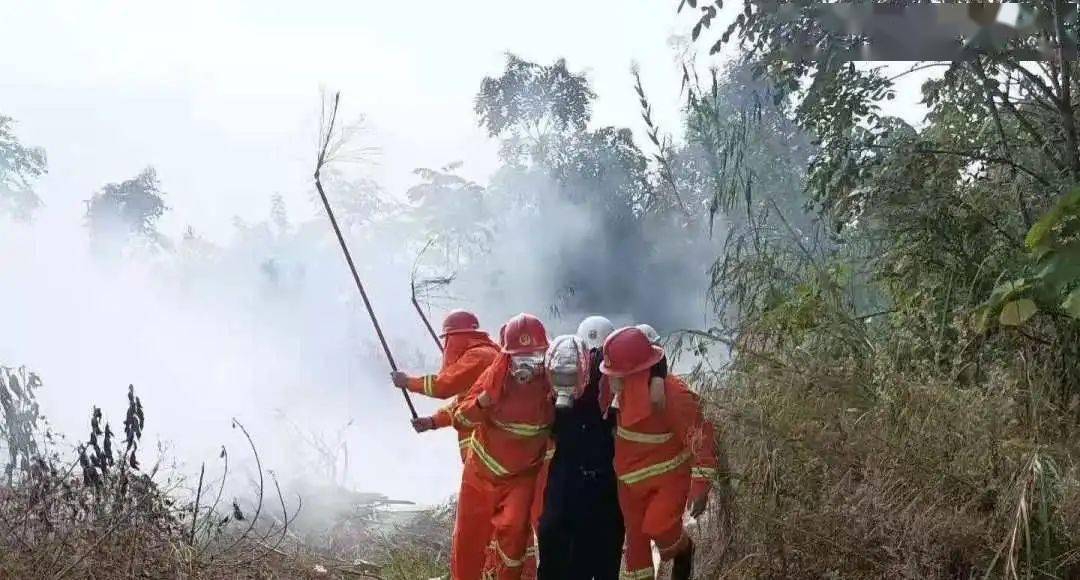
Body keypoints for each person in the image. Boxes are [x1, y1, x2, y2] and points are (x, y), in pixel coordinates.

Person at [600, 326, 718, 580]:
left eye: (616, 375)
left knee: (660, 527)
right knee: (636, 545)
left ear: (635, 373)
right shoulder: (616, 392)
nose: (611, 381)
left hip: (667, 479)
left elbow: (701, 440)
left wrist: (700, 486)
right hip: (628, 484)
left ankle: (685, 552)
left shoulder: (674, 396)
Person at [450, 313, 555, 580]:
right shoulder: (493, 377)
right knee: (469, 541)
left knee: (514, 535)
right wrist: (483, 403)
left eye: (535, 357)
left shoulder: (554, 382)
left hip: (521, 477)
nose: (528, 366)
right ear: (509, 357)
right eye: (521, 358)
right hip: (480, 474)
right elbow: (460, 419)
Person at [536, 323, 624, 580]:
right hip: (584, 480)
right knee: (569, 548)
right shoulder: (559, 374)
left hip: (589, 481)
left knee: (570, 549)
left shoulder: (615, 380)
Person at [390, 309, 499, 462]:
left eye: (447, 340)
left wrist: (408, 382)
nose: (446, 346)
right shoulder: (485, 353)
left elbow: (443, 386)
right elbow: (464, 405)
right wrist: (433, 421)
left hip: (488, 458)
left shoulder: (479, 357)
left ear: (454, 337)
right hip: (486, 458)